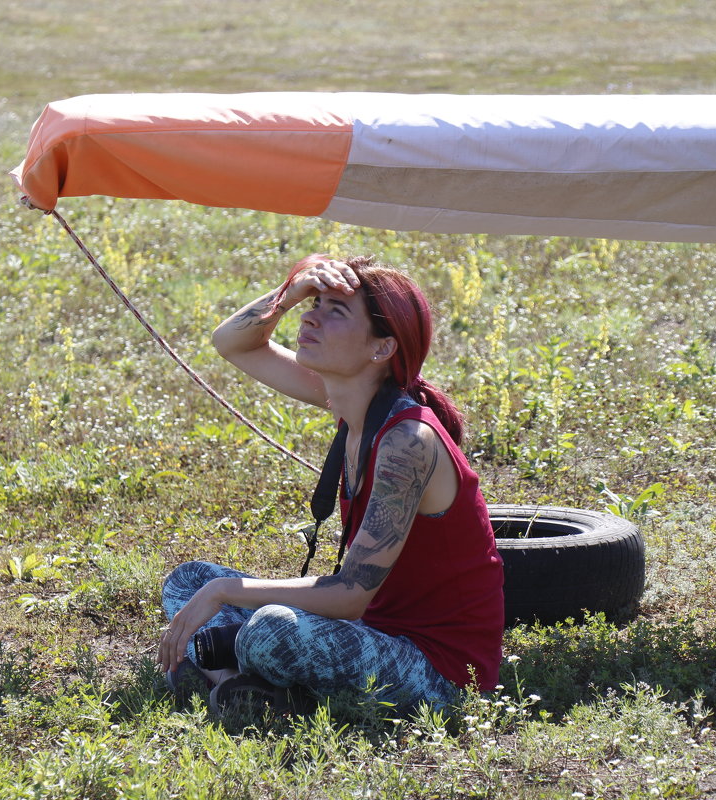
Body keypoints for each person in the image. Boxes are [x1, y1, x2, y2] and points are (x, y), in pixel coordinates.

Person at [156, 253, 504, 714]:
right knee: (190, 579)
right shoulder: (352, 400)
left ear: (382, 349)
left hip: (440, 672)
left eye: (334, 311)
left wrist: (226, 593)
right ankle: (237, 684)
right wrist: (291, 291)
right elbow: (233, 343)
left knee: (268, 627)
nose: (310, 317)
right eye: (313, 304)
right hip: (371, 631)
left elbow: (350, 595)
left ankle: (230, 672)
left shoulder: (408, 441)